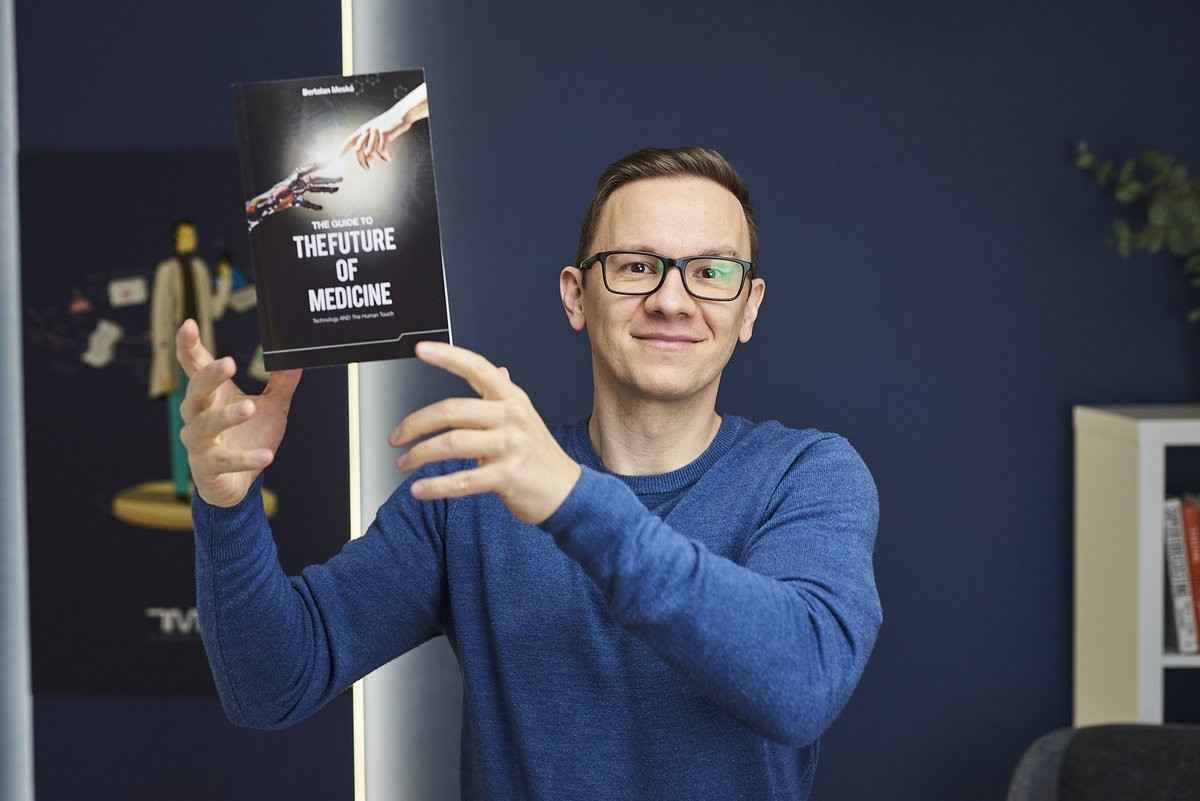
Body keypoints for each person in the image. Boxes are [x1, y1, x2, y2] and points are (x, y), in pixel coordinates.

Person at [177, 146, 881, 800]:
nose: (671, 300)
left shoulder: (807, 475)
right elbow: (272, 684)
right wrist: (226, 502)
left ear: (749, 307)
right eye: (636, 266)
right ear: (576, 295)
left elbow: (803, 685)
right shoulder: (476, 485)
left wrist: (572, 499)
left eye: (712, 272)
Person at [150, 219, 230, 499]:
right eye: (185, 236)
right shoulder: (166, 271)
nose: (191, 239)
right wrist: (163, 368)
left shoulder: (200, 268)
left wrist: (224, 280)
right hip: (175, 359)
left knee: (205, 423)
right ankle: (180, 486)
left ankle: (203, 484)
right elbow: (161, 318)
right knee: (179, 425)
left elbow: (214, 311)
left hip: (201, 358)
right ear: (176, 239)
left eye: (193, 235)